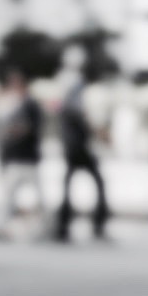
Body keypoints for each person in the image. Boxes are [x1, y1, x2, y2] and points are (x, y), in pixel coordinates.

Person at [53, 49, 110, 244]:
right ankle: (94, 223)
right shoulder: (74, 87)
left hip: (73, 145)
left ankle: (64, 224)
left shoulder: (66, 86)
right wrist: (95, 131)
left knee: (70, 185)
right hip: (78, 146)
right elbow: (79, 114)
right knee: (97, 183)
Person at [0, 69, 45, 241]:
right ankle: (3, 225)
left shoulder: (29, 105)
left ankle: (42, 225)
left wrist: (8, 133)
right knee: (10, 196)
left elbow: (26, 129)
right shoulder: (17, 104)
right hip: (17, 158)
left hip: (25, 158)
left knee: (23, 196)